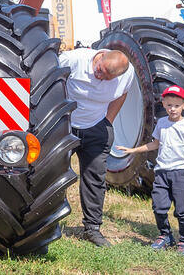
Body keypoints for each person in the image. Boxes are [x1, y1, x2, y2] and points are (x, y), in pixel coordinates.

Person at [116, 85, 184, 255]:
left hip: (180, 173)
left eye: (177, 105)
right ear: (164, 104)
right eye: (169, 105)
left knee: (182, 209)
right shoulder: (162, 123)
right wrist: (134, 150)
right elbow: (155, 144)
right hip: (161, 172)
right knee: (158, 206)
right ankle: (165, 235)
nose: (173, 109)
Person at [58, 47, 134, 246]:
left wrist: (107, 122)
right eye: (100, 70)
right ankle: (49, 221)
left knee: (95, 179)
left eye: (108, 77)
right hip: (65, 125)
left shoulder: (127, 74)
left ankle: (92, 229)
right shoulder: (73, 60)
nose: (100, 77)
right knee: (54, 174)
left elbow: (122, 94)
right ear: (100, 56)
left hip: (96, 128)